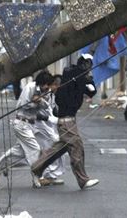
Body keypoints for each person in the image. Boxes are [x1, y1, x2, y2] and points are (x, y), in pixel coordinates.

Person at [32, 53, 100, 190]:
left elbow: (90, 91)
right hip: (67, 121)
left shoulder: (70, 75)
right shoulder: (79, 76)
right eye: (88, 65)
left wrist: (88, 80)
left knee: (59, 148)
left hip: (66, 120)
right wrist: (89, 80)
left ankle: (36, 168)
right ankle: (83, 180)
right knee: (77, 147)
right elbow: (92, 91)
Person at [0, 71, 52, 188]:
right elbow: (23, 105)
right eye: (46, 85)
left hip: (30, 125)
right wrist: (34, 102)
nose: (47, 88)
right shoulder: (30, 87)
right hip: (21, 122)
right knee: (35, 149)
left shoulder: (45, 92)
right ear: (41, 83)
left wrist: (40, 100)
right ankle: (37, 179)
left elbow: (46, 106)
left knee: (19, 151)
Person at [36, 73, 66, 186]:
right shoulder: (42, 94)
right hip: (39, 127)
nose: (57, 88)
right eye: (55, 85)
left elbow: (52, 111)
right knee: (51, 148)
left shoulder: (53, 95)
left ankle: (51, 175)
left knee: (56, 147)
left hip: (48, 126)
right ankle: (45, 175)